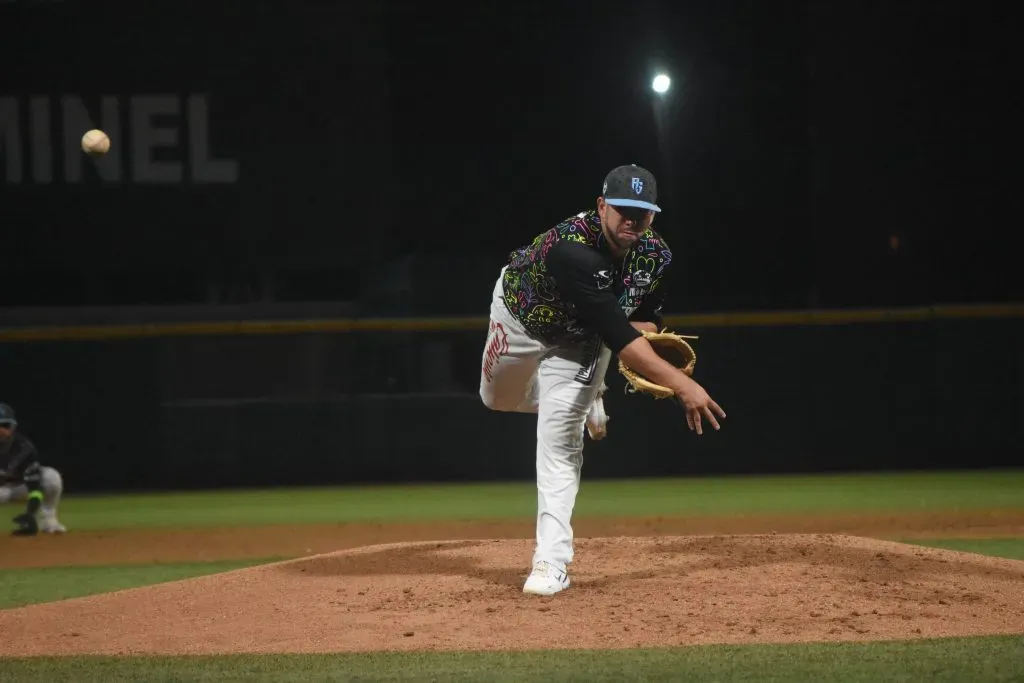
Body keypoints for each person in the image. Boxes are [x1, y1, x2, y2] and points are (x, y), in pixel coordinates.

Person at [479, 163, 726, 596]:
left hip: (582, 343)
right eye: (623, 209)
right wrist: (684, 385)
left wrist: (648, 334)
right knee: (496, 400)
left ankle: (550, 563)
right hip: (519, 318)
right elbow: (623, 336)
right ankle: (587, 399)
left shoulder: (655, 254)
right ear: (601, 206)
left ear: (653, 214)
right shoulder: (571, 249)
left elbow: (639, 317)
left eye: (643, 211)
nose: (632, 219)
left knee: (557, 442)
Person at [0, 403, 67, 535]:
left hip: (19, 488)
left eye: (5, 425)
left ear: (13, 426)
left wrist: (30, 514)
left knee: (50, 476)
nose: (1, 430)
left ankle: (49, 522)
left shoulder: (23, 447)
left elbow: (34, 487)